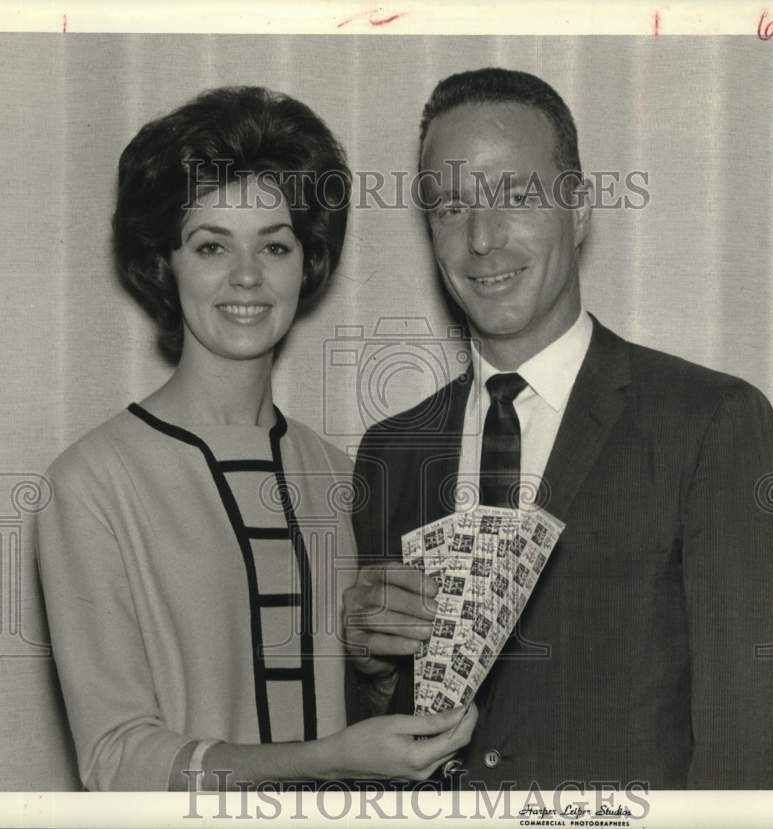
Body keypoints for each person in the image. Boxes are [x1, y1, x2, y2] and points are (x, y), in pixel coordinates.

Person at [345, 68, 773, 790]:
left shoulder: (711, 424)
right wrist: (373, 669)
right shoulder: (392, 450)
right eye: (450, 206)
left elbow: (755, 767)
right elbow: (383, 752)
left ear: (581, 208)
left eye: (518, 196)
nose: (482, 239)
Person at [36, 85, 476, 792]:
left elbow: (366, 706)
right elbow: (116, 761)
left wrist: (373, 662)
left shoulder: (340, 475)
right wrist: (328, 756)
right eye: (211, 245)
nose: (246, 276)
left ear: (308, 263)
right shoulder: (91, 483)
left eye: (274, 244)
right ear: (164, 262)